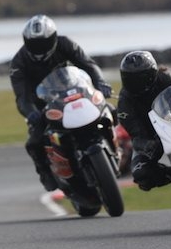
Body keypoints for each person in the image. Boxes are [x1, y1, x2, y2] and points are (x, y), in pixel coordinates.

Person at [9, 14, 114, 191]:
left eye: (43, 43)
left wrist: (100, 82)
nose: (39, 48)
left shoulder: (65, 43)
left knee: (110, 110)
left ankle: (123, 149)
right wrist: (31, 112)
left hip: (74, 93)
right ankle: (45, 172)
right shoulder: (19, 63)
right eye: (34, 43)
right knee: (34, 141)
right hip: (44, 106)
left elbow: (88, 65)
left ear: (53, 38)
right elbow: (22, 97)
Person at [116, 50, 171, 201]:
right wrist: (147, 144)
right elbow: (135, 134)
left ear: (151, 74)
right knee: (141, 174)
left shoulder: (167, 78)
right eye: (129, 78)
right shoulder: (125, 102)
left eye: (139, 78)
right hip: (150, 136)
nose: (134, 83)